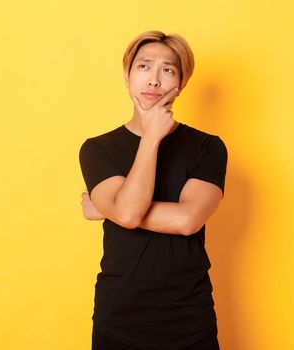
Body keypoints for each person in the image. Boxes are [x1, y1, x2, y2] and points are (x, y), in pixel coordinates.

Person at [78, 30, 227, 350]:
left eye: (168, 69)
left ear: (182, 82)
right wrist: (150, 137)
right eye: (144, 67)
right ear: (127, 75)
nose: (154, 80)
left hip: (189, 319)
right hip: (119, 320)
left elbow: (187, 220)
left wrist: (108, 208)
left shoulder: (208, 148)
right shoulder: (98, 149)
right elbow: (128, 213)